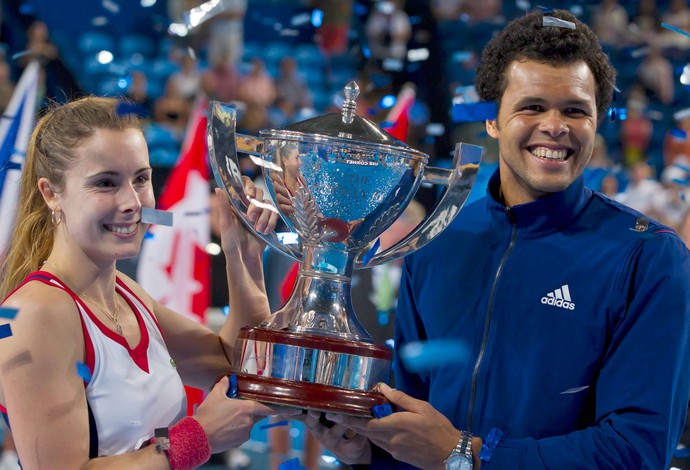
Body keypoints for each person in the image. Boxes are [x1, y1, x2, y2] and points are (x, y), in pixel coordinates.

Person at [302, 9, 690, 469]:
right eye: (532, 106)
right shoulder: (437, 243)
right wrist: (367, 451)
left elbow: (635, 451)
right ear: (492, 119)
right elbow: (417, 422)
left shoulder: (649, 257)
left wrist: (466, 457)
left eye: (575, 110)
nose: (554, 125)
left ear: (597, 121)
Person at [0, 96, 298, 468]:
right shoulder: (37, 312)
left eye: (141, 179)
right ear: (51, 193)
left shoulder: (126, 294)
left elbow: (237, 366)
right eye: (106, 183)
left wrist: (244, 255)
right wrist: (198, 436)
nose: (133, 202)